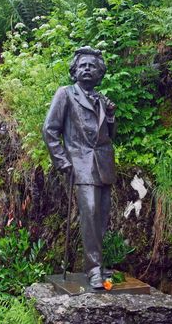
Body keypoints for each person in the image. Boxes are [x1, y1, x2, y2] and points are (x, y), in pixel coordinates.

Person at [43, 46, 116, 288]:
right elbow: (50, 130)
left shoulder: (102, 99)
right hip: (80, 164)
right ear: (74, 71)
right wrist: (63, 161)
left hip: (103, 164)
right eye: (82, 65)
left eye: (92, 66)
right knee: (90, 213)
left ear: (99, 73)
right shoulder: (65, 94)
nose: (86, 69)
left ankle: (97, 264)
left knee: (101, 217)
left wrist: (112, 117)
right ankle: (94, 270)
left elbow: (108, 136)